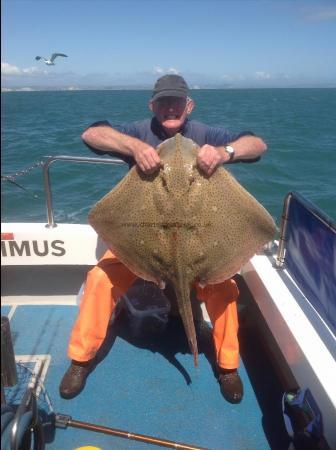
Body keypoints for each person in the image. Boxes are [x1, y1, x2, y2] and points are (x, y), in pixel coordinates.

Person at [59, 74, 267, 403]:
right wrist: (135, 146)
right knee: (99, 279)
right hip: (140, 241)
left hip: (200, 243)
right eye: (163, 102)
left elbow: (257, 144)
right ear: (152, 106)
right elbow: (92, 133)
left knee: (225, 288)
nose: (171, 107)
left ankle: (227, 366)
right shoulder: (141, 130)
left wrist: (225, 152)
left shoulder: (206, 135)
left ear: (189, 105)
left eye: (178, 102)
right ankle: (80, 361)